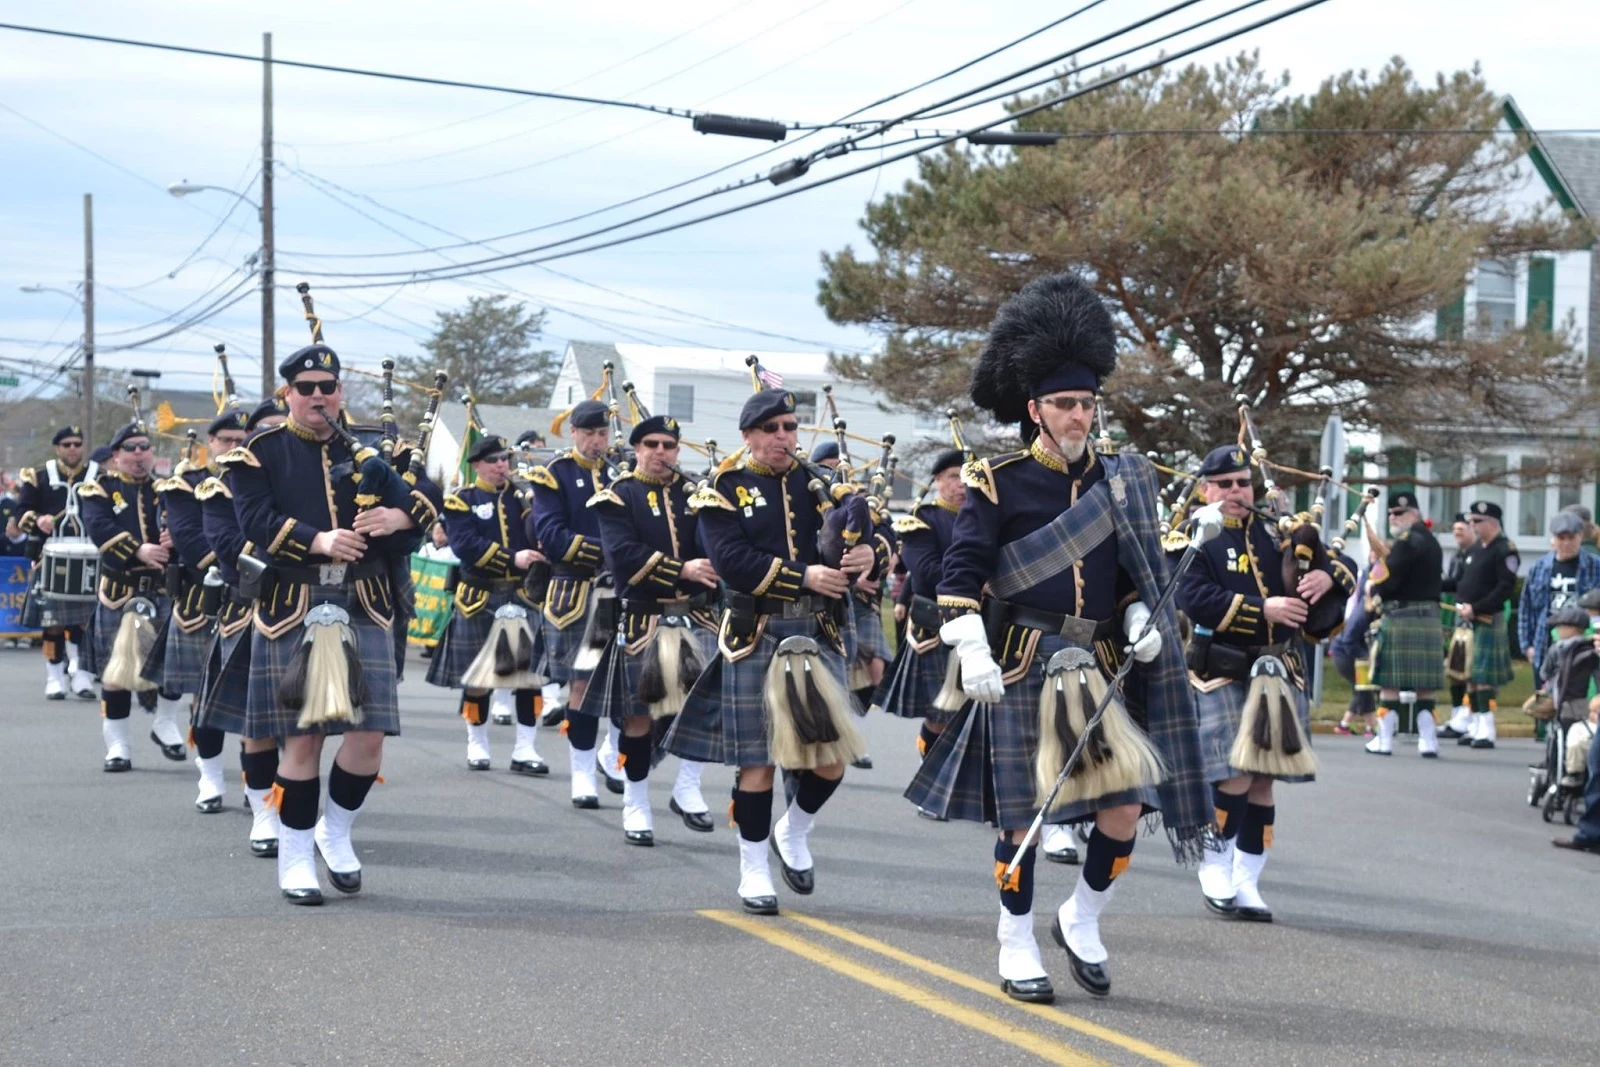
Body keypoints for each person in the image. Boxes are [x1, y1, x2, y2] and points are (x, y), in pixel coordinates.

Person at [906, 273, 1211, 1003]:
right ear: (1035, 408)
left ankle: (1081, 916)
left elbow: (1135, 573)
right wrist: (972, 646)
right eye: (1066, 404)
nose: (1080, 415)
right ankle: (1014, 939)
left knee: (1126, 806)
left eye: (1087, 403)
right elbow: (961, 571)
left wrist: (1139, 616)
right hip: (1021, 664)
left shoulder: (1121, 479)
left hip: (1100, 665)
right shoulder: (997, 479)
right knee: (1024, 820)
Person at [225, 343, 440, 904]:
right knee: (303, 741)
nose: (318, 396)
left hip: (365, 602)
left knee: (369, 739)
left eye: (328, 386)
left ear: (341, 390)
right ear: (287, 395)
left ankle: (334, 832)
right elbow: (253, 522)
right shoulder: (258, 453)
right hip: (293, 604)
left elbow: (427, 503)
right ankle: (295, 857)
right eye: (306, 388)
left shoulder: (375, 448)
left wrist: (400, 516)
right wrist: (317, 539)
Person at [667, 387, 878, 915]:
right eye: (772, 429)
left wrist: (871, 550)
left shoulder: (821, 482)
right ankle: (753, 866)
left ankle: (794, 830)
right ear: (749, 436)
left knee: (831, 760)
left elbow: (867, 535)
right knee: (757, 765)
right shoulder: (722, 487)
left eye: (790, 427)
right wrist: (804, 574)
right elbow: (732, 562)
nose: (784, 437)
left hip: (818, 634)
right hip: (754, 637)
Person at [1179, 445, 1350, 923]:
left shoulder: (1281, 531)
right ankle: (1215, 862)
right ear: (1206, 488)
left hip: (1280, 668)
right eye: (1226, 484)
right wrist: (1264, 608)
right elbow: (1195, 598)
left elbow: (1341, 566)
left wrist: (1324, 578)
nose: (1237, 491)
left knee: (1263, 780)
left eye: (1243, 482)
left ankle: (1248, 878)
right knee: (1232, 772)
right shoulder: (1194, 536)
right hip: (1221, 670)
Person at [580, 413, 719, 843]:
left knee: (703, 711)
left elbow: (714, 549)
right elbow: (621, 556)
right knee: (638, 719)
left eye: (669, 445)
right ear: (637, 449)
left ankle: (687, 786)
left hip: (697, 616)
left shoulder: (696, 494)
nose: (662, 452)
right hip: (643, 618)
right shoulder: (617, 497)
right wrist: (684, 568)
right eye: (652, 444)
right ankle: (636, 802)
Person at [195, 397, 287, 855]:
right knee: (257, 722)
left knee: (301, 726)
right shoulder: (222, 488)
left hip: (307, 610)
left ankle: (291, 804)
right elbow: (229, 547)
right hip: (246, 613)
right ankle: (262, 809)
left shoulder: (308, 480)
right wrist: (303, 544)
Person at [427, 434, 549, 775]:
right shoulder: (461, 500)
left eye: (504, 459)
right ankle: (476, 742)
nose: (501, 466)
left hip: (522, 596)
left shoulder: (524, 497)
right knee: (478, 679)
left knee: (528, 677)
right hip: (479, 598)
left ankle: (526, 748)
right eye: (493, 460)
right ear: (477, 464)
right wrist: (514, 558)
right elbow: (466, 545)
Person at [529, 399, 625, 806]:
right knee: (582, 686)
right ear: (573, 433)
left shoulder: (622, 474)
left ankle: (610, 755)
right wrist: (612, 551)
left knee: (626, 685)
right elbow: (551, 535)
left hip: (619, 594)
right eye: (589, 433)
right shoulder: (555, 474)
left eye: (602, 433)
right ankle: (582, 773)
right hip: (576, 593)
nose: (597, 441)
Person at [159, 412, 251, 812]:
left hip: (263, 600)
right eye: (227, 439)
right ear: (210, 442)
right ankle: (210, 779)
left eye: (242, 439)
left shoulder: (264, 481)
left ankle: (255, 784)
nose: (235, 446)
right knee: (207, 703)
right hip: (205, 604)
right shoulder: (187, 484)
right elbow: (195, 547)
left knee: (258, 705)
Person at [875, 449, 973, 820]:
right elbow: (927, 574)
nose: (960, 482)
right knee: (941, 713)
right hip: (937, 629)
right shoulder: (923, 520)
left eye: (965, 474)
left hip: (987, 628)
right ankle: (931, 783)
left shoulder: (990, 517)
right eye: (950, 475)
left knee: (972, 714)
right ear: (936, 482)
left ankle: (958, 785)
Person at [77, 420, 177, 770]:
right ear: (115, 455)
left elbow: (190, 528)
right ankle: (117, 746)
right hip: (119, 593)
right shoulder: (97, 490)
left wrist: (175, 540)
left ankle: (165, 723)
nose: (139, 454)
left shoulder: (169, 489)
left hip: (164, 591)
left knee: (172, 666)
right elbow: (99, 530)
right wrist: (140, 551)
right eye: (131, 448)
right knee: (115, 676)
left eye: (144, 447)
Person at [12, 426, 98, 699]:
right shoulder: (38, 476)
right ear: (57, 448)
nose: (72, 449)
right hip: (50, 557)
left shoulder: (98, 476)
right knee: (53, 623)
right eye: (66, 444)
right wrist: (36, 520)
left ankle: (82, 675)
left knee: (85, 622)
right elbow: (21, 510)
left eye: (77, 443)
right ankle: (54, 677)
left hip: (89, 558)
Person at [1364, 492, 1446, 757]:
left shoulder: (1405, 541)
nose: (1393, 518)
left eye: (1399, 513)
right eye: (1390, 514)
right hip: (1429, 618)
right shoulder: (1433, 542)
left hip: (1401, 617)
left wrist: (1373, 586)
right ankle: (1428, 740)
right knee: (1425, 686)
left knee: (1390, 682)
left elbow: (1389, 579)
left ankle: (1384, 739)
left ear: (1414, 514)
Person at [1440, 501, 1519, 750]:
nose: (1471, 525)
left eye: (1476, 522)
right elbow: (1461, 583)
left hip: (1486, 618)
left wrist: (1477, 608)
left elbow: (1505, 587)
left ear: (1492, 523)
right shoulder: (1477, 550)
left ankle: (1487, 728)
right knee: (1471, 676)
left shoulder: (1505, 550)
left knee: (1483, 677)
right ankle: (1475, 725)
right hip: (1468, 618)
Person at [1518, 511, 1600, 685]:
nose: (1566, 543)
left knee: (1579, 700)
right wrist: (1527, 645)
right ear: (1554, 539)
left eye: (1571, 537)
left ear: (1580, 536)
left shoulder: (1595, 566)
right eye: (1561, 538)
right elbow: (1526, 608)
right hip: (1545, 642)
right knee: (1545, 702)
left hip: (1584, 643)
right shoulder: (1539, 568)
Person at [1328, 562, 1377, 737]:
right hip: (1344, 653)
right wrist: (1366, 657)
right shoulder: (1365, 608)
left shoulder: (1371, 607)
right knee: (1364, 689)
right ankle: (1366, 726)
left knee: (1363, 688)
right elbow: (1348, 638)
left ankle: (1351, 725)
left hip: (1350, 651)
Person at [1439, 515, 1475, 738]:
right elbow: (1452, 586)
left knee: (1471, 670)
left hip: (1473, 615)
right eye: (1455, 531)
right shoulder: (1456, 557)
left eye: (1462, 530)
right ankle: (1457, 714)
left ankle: (1471, 716)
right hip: (1457, 616)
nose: (1457, 535)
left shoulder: (1478, 555)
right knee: (1455, 669)